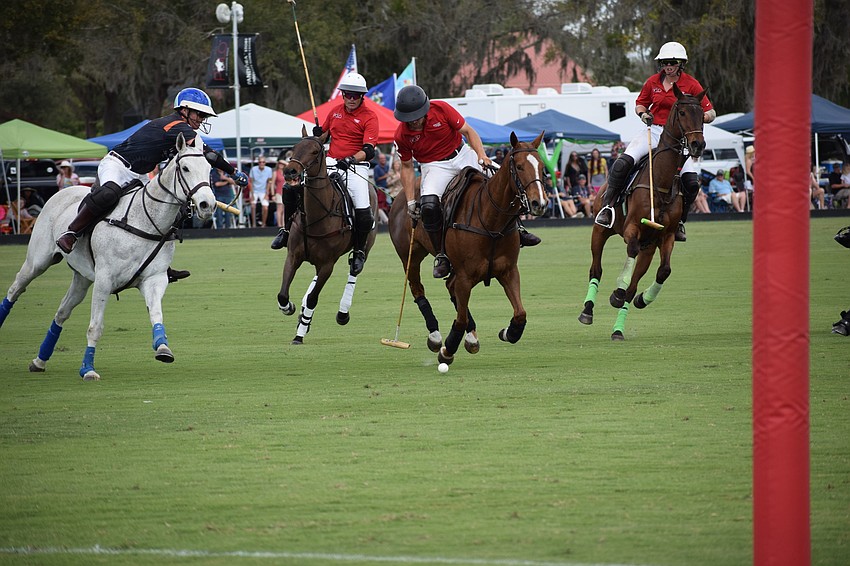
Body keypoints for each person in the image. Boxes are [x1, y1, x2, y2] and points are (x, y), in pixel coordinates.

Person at [55, 87, 249, 283]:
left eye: (204, 115)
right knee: (109, 194)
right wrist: (233, 172)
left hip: (140, 174)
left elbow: (204, 155)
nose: (201, 119)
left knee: (167, 209)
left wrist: (231, 172)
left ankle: (160, 265)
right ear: (185, 110)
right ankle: (71, 233)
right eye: (200, 114)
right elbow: (208, 154)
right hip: (118, 164)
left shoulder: (186, 130)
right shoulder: (176, 125)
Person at [392, 84, 540, 279]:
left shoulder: (442, 109)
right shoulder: (402, 134)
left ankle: (518, 230)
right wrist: (411, 200)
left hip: (461, 155)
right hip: (434, 166)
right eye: (409, 119)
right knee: (428, 206)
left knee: (501, 185)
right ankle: (442, 255)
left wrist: (481, 156)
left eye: (417, 117)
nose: (414, 122)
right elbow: (407, 167)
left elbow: (469, 132)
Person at [594, 41, 715, 242]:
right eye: (665, 62)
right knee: (622, 163)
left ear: (680, 63)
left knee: (692, 183)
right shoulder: (653, 82)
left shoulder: (691, 84)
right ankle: (607, 208)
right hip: (654, 131)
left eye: (672, 62)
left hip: (679, 140)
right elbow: (640, 104)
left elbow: (710, 111)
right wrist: (643, 114)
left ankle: (680, 221)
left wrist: (697, 117)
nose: (668, 65)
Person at [272, 73, 377, 278]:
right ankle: (286, 231)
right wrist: (318, 132)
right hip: (330, 162)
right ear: (343, 94)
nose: (351, 99)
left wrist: (351, 160)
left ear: (362, 96)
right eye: (348, 94)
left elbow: (369, 149)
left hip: (355, 166)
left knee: (364, 211)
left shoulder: (370, 117)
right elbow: (323, 136)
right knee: (290, 188)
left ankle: (358, 251)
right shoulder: (335, 111)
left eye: (356, 95)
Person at [248, 156, 273, 227]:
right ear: (258, 163)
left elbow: (269, 182)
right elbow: (251, 182)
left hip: (263, 190)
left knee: (265, 207)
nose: (261, 163)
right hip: (254, 190)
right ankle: (254, 224)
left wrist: (267, 193)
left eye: (263, 162)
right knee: (253, 206)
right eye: (260, 162)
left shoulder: (269, 170)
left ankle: (263, 224)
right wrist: (252, 194)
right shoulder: (253, 169)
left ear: (265, 163)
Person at [373, 152, 390, 224]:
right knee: (382, 205)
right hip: (381, 189)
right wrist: (385, 176)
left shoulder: (387, 166)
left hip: (389, 188)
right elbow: (376, 179)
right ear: (379, 160)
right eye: (381, 159)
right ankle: (385, 220)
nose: (383, 160)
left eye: (384, 158)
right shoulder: (377, 168)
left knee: (389, 204)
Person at [272, 156, 288, 228]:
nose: (281, 165)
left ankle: (284, 224)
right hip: (278, 192)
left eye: (282, 164)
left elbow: (289, 165)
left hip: (285, 192)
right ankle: (279, 225)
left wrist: (284, 162)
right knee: (279, 209)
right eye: (279, 164)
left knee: (285, 209)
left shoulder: (285, 172)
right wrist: (273, 194)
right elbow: (272, 184)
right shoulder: (275, 173)